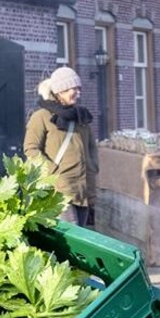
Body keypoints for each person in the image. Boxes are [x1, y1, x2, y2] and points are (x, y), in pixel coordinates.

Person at [24, 67, 99, 226]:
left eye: (79, 89)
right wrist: (52, 171)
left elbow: (91, 147)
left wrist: (93, 167)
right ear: (60, 91)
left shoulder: (81, 116)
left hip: (82, 190)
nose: (78, 93)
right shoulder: (41, 117)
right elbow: (31, 149)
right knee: (71, 239)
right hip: (58, 191)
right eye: (73, 89)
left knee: (81, 240)